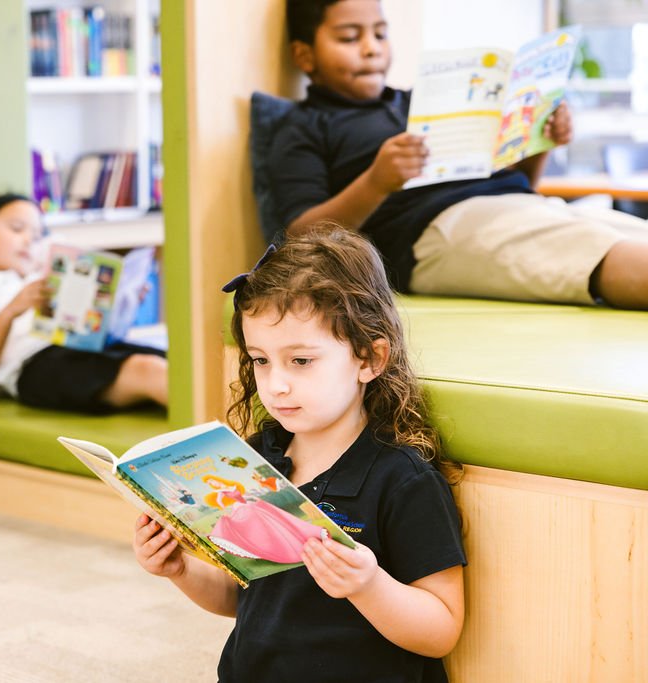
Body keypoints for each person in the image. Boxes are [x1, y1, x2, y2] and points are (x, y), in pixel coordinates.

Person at [133, 230, 466, 682]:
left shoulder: (402, 479)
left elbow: (441, 629)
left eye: (301, 361)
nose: (276, 385)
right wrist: (180, 570)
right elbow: (240, 596)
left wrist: (368, 586)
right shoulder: (254, 460)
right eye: (261, 360)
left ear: (369, 358)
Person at [267, 0, 648, 309]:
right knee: (595, 251)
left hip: (520, 206)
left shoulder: (418, 102)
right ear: (304, 56)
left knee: (620, 230)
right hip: (434, 232)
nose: (372, 48)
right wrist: (376, 182)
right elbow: (300, 237)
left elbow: (518, 186)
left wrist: (538, 144)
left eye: (380, 34)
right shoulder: (304, 125)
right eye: (350, 38)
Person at [0, 193, 168, 413]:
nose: (28, 241)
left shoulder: (34, 276)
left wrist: (124, 302)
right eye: (17, 229)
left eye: (36, 237)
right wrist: (11, 311)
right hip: (35, 369)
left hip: (80, 349)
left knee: (174, 361)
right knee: (146, 369)